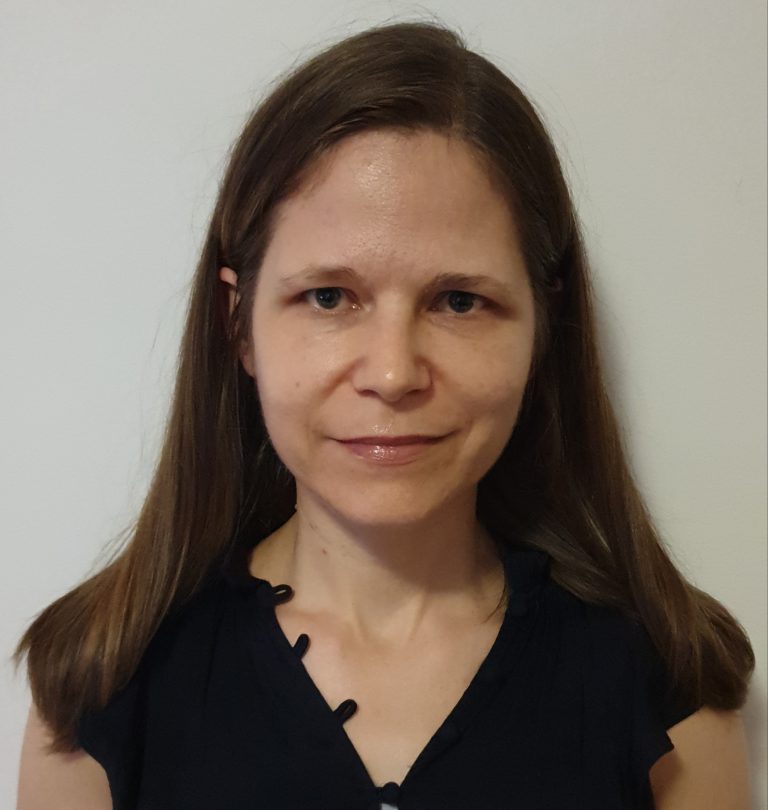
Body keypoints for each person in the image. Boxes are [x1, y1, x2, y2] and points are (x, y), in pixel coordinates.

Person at [15, 20, 754, 810]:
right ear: (238, 326)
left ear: (544, 328)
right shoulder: (100, 684)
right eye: (329, 297)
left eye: (459, 301)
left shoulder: (667, 684)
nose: (394, 374)